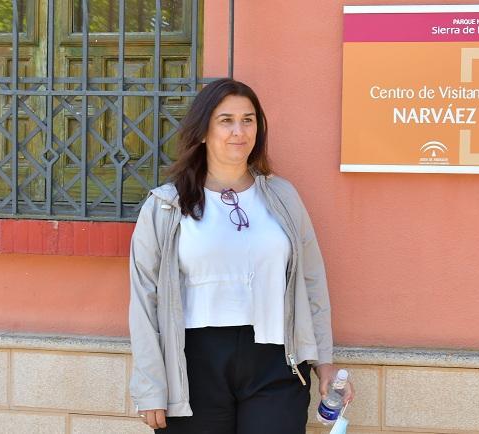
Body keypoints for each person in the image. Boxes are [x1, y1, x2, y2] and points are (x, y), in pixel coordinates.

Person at [128, 78, 354, 433]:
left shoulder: (282, 197)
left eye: (248, 120)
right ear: (202, 131)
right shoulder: (166, 205)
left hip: (276, 361)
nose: (239, 131)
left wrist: (323, 361)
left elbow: (311, 282)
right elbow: (144, 299)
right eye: (226, 120)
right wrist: (149, 385)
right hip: (193, 363)